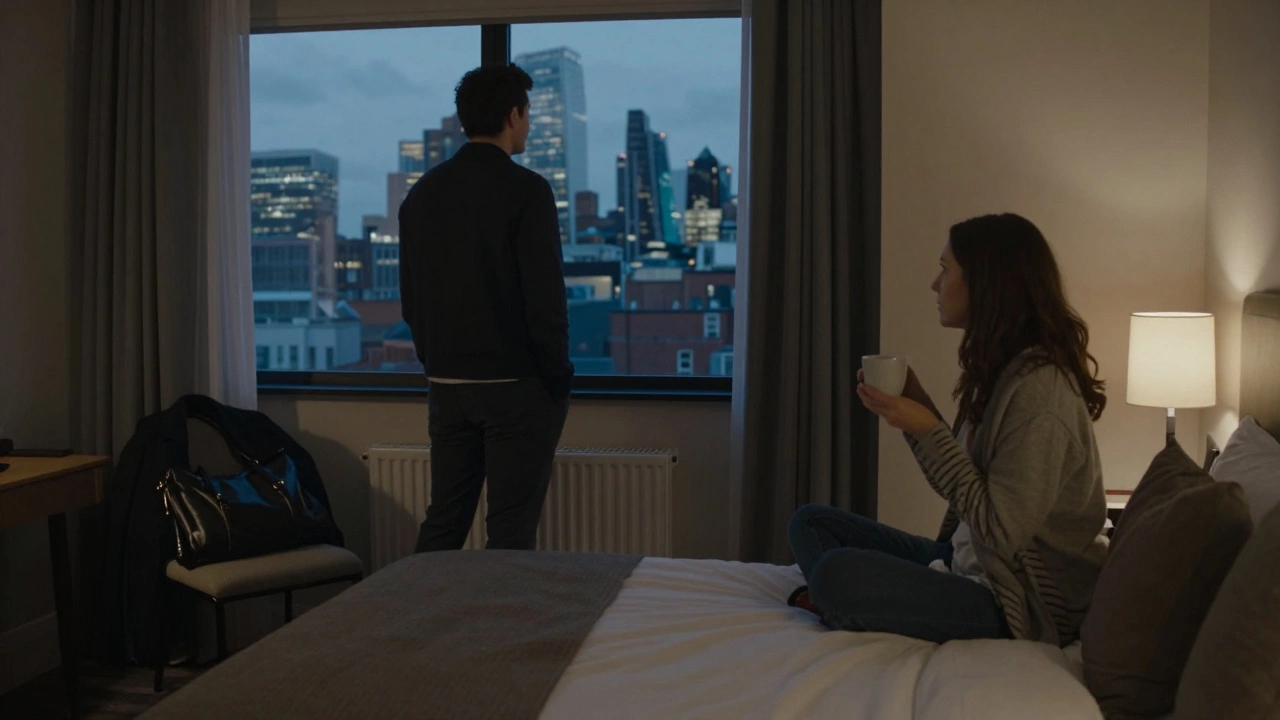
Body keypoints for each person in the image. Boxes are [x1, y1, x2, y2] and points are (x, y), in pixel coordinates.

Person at [786, 213, 1108, 646]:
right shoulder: (1007, 371)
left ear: (986, 284)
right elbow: (965, 490)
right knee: (810, 524)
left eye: (945, 270)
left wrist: (930, 430)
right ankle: (855, 600)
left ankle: (844, 599)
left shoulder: (1041, 396)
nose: (935, 286)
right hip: (968, 562)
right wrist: (915, 412)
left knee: (835, 573)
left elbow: (1000, 531)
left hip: (1019, 600)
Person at [399, 64, 573, 552]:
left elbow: (410, 299)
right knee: (511, 531)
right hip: (516, 386)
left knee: (444, 519)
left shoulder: (422, 194)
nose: (529, 125)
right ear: (513, 114)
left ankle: (416, 621)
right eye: (528, 114)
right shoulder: (527, 191)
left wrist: (436, 363)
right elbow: (545, 299)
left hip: (448, 385)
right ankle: (503, 628)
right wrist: (556, 378)